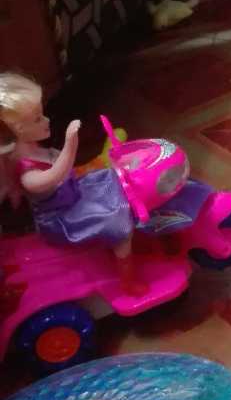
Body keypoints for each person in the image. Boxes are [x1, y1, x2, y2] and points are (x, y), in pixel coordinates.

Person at [0, 71, 140, 287]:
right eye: (37, 118)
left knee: (113, 181)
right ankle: (128, 281)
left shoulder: (29, 147)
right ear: (18, 130)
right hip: (63, 219)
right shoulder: (28, 174)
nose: (46, 120)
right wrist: (70, 145)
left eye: (42, 114)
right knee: (119, 224)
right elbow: (56, 174)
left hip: (74, 196)